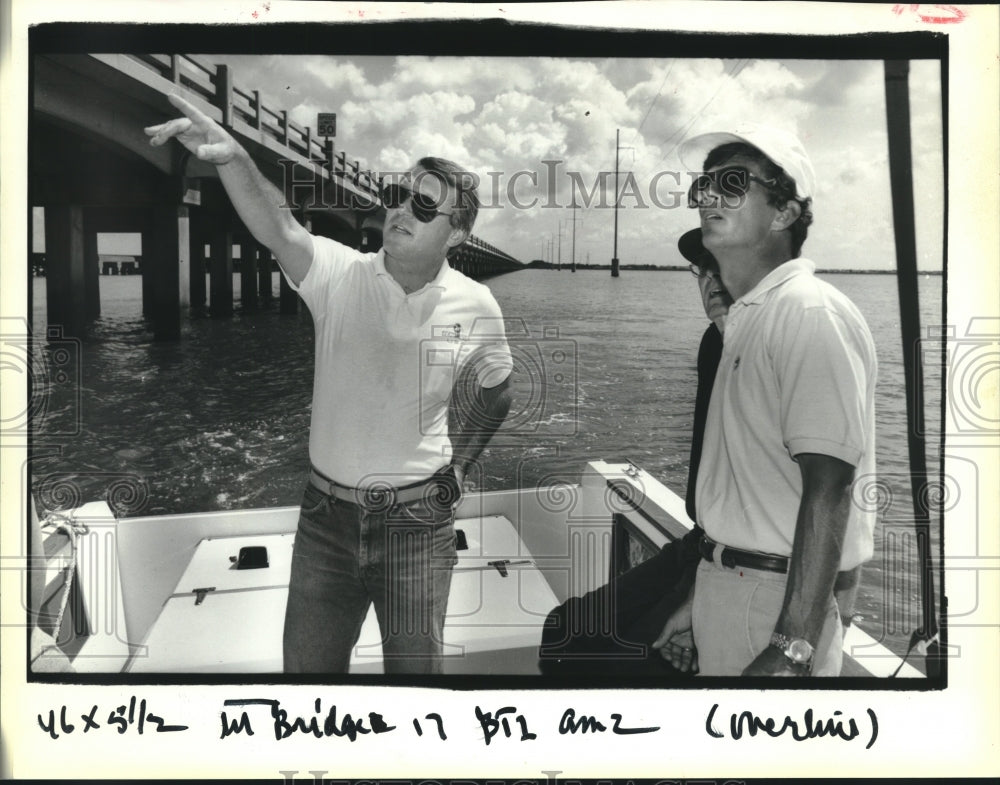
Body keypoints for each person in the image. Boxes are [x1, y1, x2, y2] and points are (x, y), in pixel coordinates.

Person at [146, 94, 513, 674]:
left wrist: (462, 466)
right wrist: (234, 158)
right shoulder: (340, 275)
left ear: (458, 235)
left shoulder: (477, 304)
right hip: (326, 522)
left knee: (416, 689)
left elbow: (499, 387)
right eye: (398, 195)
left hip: (417, 526)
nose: (401, 210)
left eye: (424, 206)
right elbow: (280, 226)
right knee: (308, 682)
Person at [654, 124, 876, 677]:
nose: (706, 196)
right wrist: (705, 596)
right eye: (702, 185)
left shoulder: (806, 313)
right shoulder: (750, 324)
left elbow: (831, 487)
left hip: (774, 606)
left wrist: (794, 645)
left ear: (783, 213)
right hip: (737, 587)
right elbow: (756, 490)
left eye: (730, 182)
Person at [537, 229, 730, 676]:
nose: (713, 280)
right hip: (698, 546)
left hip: (734, 566)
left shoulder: (782, 348)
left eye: (724, 263)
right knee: (564, 630)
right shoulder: (713, 342)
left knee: (625, 664)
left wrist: (701, 600)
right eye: (703, 269)